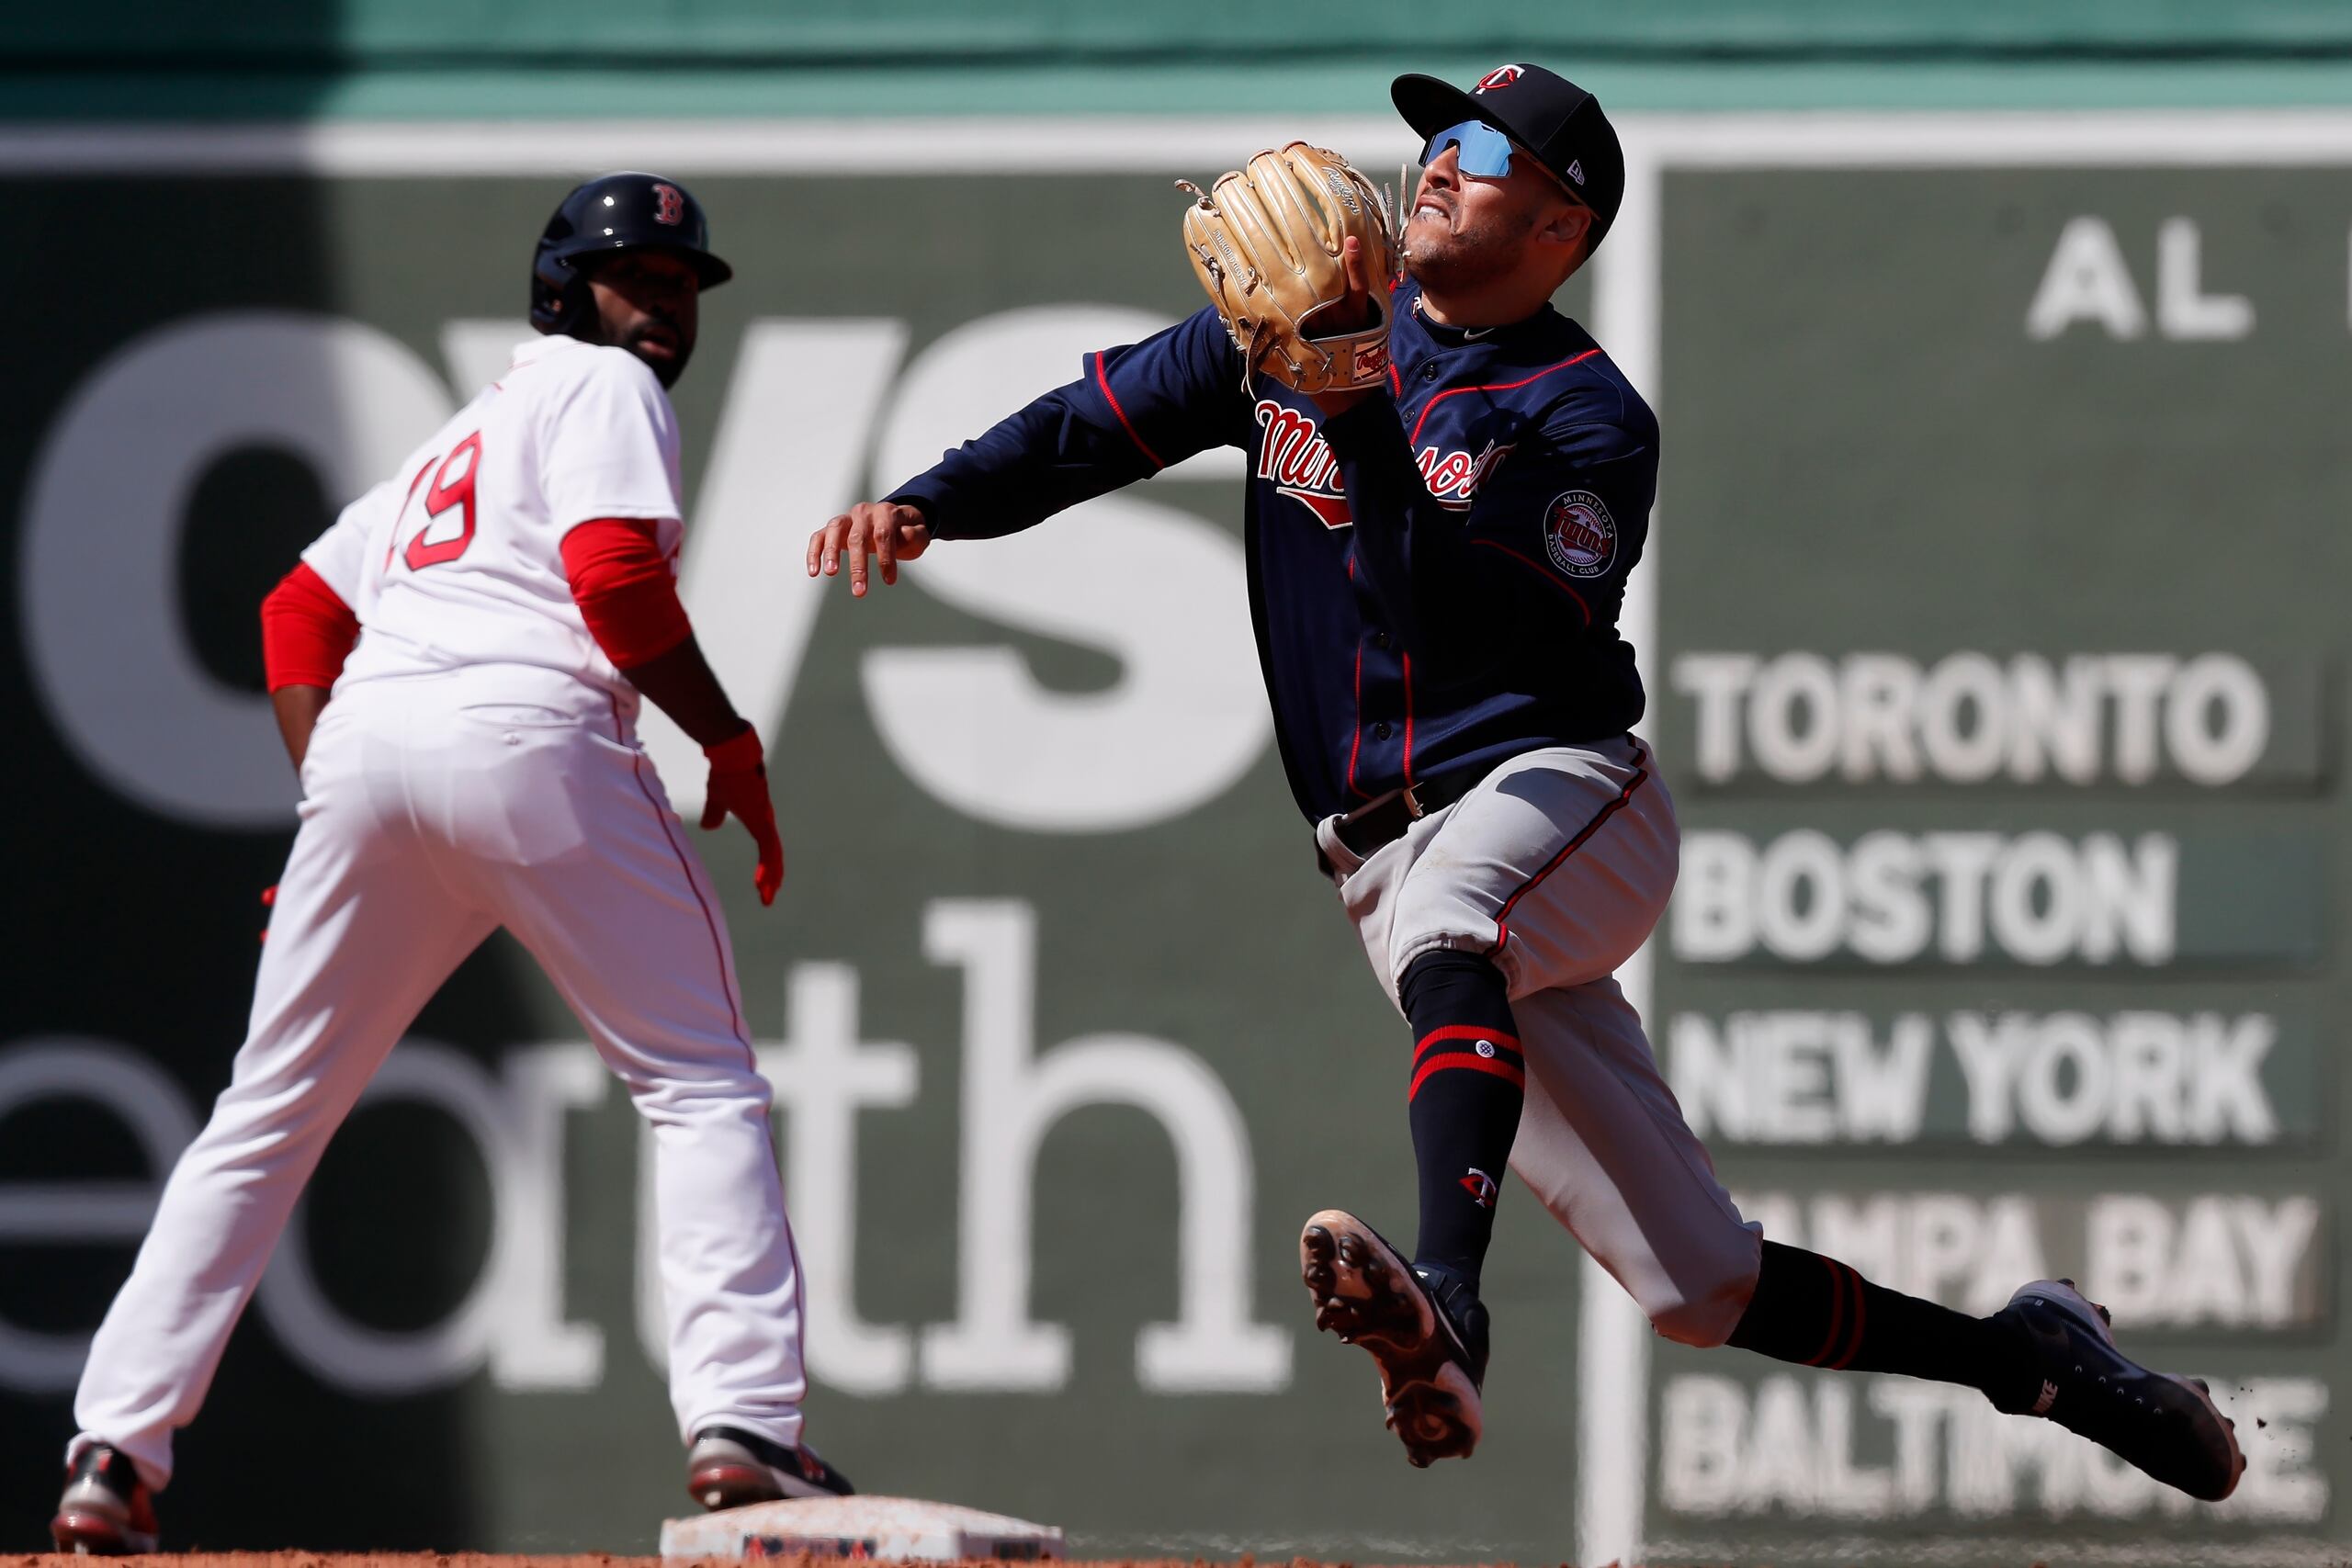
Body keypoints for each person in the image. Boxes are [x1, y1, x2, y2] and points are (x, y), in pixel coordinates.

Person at [804, 67, 2243, 1500]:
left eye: (1487, 147)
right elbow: (1091, 421)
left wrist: (1357, 397)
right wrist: (925, 501)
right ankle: (2035, 1359)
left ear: (1565, 225)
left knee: (1457, 924)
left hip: (1562, 792)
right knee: (1697, 1285)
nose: (1438, 161)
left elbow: (1458, 618)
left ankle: (1451, 1310)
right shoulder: (1295, 335)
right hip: (1382, 860)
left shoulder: (1582, 416)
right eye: (1436, 134)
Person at [51, 172, 849, 1556]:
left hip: (373, 743)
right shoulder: (603, 391)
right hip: (531, 730)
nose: (662, 301)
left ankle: (115, 1451)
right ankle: (745, 1428)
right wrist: (726, 738)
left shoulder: (460, 440)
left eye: (680, 282)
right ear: (566, 289)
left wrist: (338, 821)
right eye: (633, 274)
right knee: (699, 1077)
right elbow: (609, 574)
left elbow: (297, 612)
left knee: (267, 1112)